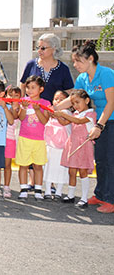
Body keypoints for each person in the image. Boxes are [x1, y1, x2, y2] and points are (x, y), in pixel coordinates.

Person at [66, 42, 114, 213]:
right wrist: (54, 108)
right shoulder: (82, 78)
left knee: (110, 161)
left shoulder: (106, 74)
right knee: (100, 160)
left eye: (78, 61)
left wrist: (99, 126)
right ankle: (100, 194)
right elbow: (72, 99)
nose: (75, 64)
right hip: (98, 121)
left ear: (91, 59)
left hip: (109, 120)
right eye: (74, 61)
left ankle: (110, 199)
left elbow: (111, 103)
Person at [54, 89, 96, 208]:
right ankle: (71, 195)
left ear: (87, 100)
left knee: (83, 171)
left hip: (83, 145)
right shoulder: (75, 114)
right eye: (73, 104)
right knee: (71, 171)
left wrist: (62, 113)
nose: (75, 106)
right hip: (73, 144)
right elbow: (64, 123)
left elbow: (78, 121)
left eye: (78, 102)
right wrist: (57, 116)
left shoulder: (90, 114)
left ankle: (84, 198)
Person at [15, 75, 51, 201]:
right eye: (28, 87)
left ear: (41, 89)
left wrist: (38, 110)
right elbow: (21, 118)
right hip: (25, 138)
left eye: (33, 88)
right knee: (23, 165)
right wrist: (24, 107)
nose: (30, 90)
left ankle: (38, 189)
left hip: (39, 140)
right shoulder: (24, 101)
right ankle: (23, 188)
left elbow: (44, 121)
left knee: (38, 165)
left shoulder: (45, 103)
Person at [20, 33, 74, 103]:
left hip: (53, 111)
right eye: (38, 48)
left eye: (43, 48)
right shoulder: (31, 65)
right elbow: (23, 85)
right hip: (32, 110)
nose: (39, 51)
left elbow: (69, 92)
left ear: (54, 49)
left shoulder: (63, 69)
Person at [42, 90, 70, 200]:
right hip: (50, 145)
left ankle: (59, 191)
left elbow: (64, 122)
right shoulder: (49, 111)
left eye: (62, 100)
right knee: (48, 167)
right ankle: (48, 190)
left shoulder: (67, 113)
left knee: (61, 169)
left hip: (62, 146)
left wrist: (57, 115)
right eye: (56, 99)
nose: (58, 101)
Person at [4, 86, 22, 199]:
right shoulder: (2, 105)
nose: (13, 97)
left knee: (7, 165)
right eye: (11, 95)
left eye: (16, 96)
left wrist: (14, 107)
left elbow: (14, 117)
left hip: (10, 139)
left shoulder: (19, 108)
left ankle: (6, 186)